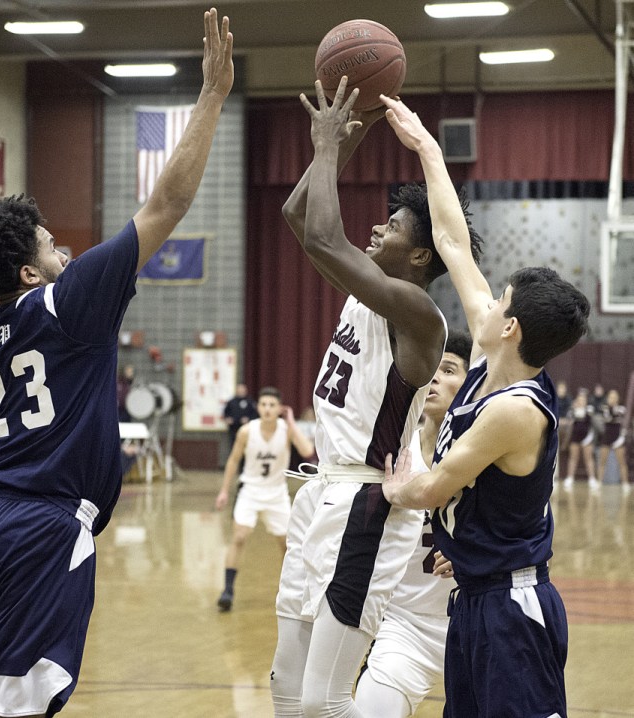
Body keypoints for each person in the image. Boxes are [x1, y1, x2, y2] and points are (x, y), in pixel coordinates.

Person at [0, 9, 233, 718]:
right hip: (43, 530)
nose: (68, 255)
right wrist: (210, 98)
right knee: (13, 709)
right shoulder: (68, 304)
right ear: (29, 273)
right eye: (54, 247)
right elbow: (168, 201)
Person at [269, 77, 482, 717]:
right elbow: (298, 219)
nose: (375, 228)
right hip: (319, 494)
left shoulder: (417, 313)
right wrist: (338, 147)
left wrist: (330, 146)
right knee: (285, 685)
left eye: (390, 227)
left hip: (366, 504)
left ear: (419, 254)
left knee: (325, 700)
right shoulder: (368, 289)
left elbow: (323, 238)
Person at [380, 94, 590, 718]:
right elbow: (450, 240)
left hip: (511, 608)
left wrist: (388, 486)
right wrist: (428, 150)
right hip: (473, 597)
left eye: (501, 300)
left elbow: (430, 488)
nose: (489, 301)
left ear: (512, 327)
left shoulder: (516, 410)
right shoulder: (489, 357)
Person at [355, 332, 471, 718]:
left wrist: (476, 554)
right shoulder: (393, 450)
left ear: (472, 383)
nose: (435, 377)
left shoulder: (492, 453)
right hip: (406, 624)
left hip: (476, 620)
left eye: (449, 369)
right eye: (432, 369)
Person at [214, 387, 315, 612]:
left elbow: (308, 450)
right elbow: (232, 461)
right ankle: (227, 591)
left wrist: (291, 423)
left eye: (272, 405)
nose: (267, 409)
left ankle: (292, 591)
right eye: (263, 405)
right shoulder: (246, 431)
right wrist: (223, 491)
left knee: (287, 545)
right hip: (250, 489)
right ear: (258, 407)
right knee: (239, 536)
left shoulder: (286, 429)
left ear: (279, 408)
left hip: (277, 493)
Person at [562, 388, 597, 491]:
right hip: (575, 436)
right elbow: (569, 421)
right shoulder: (572, 410)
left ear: (586, 401)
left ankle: (592, 479)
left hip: (586, 437)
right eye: (579, 399)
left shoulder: (589, 409)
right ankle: (570, 478)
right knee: (573, 457)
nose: (581, 401)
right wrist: (573, 410)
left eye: (583, 400)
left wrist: (585, 409)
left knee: (588, 458)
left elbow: (592, 418)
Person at [597, 389, 629, 493]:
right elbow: (608, 417)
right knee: (602, 462)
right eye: (610, 397)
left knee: (622, 462)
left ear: (618, 398)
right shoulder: (604, 408)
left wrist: (612, 411)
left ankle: (625, 483)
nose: (612, 399)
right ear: (607, 398)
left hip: (617, 437)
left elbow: (616, 415)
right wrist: (610, 410)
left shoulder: (622, 409)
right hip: (607, 436)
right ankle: (599, 483)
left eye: (614, 397)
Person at [222, 382, 258, 449]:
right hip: (234, 430)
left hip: (248, 430)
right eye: (239, 389)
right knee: (234, 447)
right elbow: (225, 413)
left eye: (242, 389)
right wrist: (228, 419)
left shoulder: (250, 402)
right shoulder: (231, 402)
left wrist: (249, 419)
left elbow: (255, 415)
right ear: (236, 390)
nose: (241, 391)